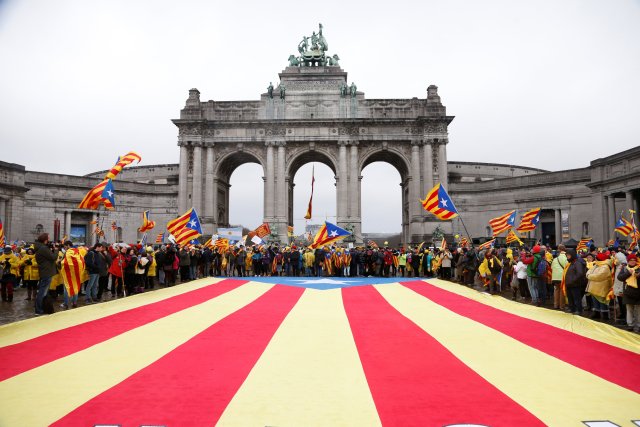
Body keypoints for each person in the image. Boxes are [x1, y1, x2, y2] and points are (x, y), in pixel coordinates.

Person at [34, 233, 59, 315]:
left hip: (45, 271)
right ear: (45, 239)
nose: (49, 240)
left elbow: (48, 257)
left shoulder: (40, 247)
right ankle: (39, 310)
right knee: (42, 292)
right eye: (48, 238)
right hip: (47, 272)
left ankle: (43, 308)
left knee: (43, 292)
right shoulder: (43, 248)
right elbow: (53, 257)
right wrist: (56, 249)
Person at [586, 252, 613, 320]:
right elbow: (589, 271)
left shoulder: (605, 266)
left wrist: (589, 276)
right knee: (595, 301)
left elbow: (599, 276)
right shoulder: (597, 265)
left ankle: (605, 315)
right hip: (594, 287)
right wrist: (588, 275)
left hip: (601, 287)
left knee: (602, 302)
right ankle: (596, 312)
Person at [617, 253, 640, 332]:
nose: (633, 262)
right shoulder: (624, 268)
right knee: (629, 310)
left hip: (638, 292)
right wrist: (628, 273)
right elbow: (619, 277)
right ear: (628, 261)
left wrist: (638, 277)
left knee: (638, 311)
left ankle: (638, 325)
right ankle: (630, 325)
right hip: (628, 292)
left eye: (634, 260)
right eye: (631, 260)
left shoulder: (639, 268)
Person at [564, 248, 587, 315]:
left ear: (572, 255)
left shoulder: (577, 263)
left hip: (575, 284)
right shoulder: (572, 263)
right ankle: (572, 308)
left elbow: (580, 273)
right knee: (570, 298)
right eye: (567, 256)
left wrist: (572, 280)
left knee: (576, 298)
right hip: (570, 284)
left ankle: (578, 310)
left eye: (568, 256)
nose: (567, 257)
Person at [551, 244, 568, 310]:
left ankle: (556, 305)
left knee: (556, 290)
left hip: (555, 278)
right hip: (562, 278)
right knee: (562, 291)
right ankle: (562, 306)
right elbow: (566, 268)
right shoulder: (566, 258)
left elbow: (552, 267)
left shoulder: (555, 259)